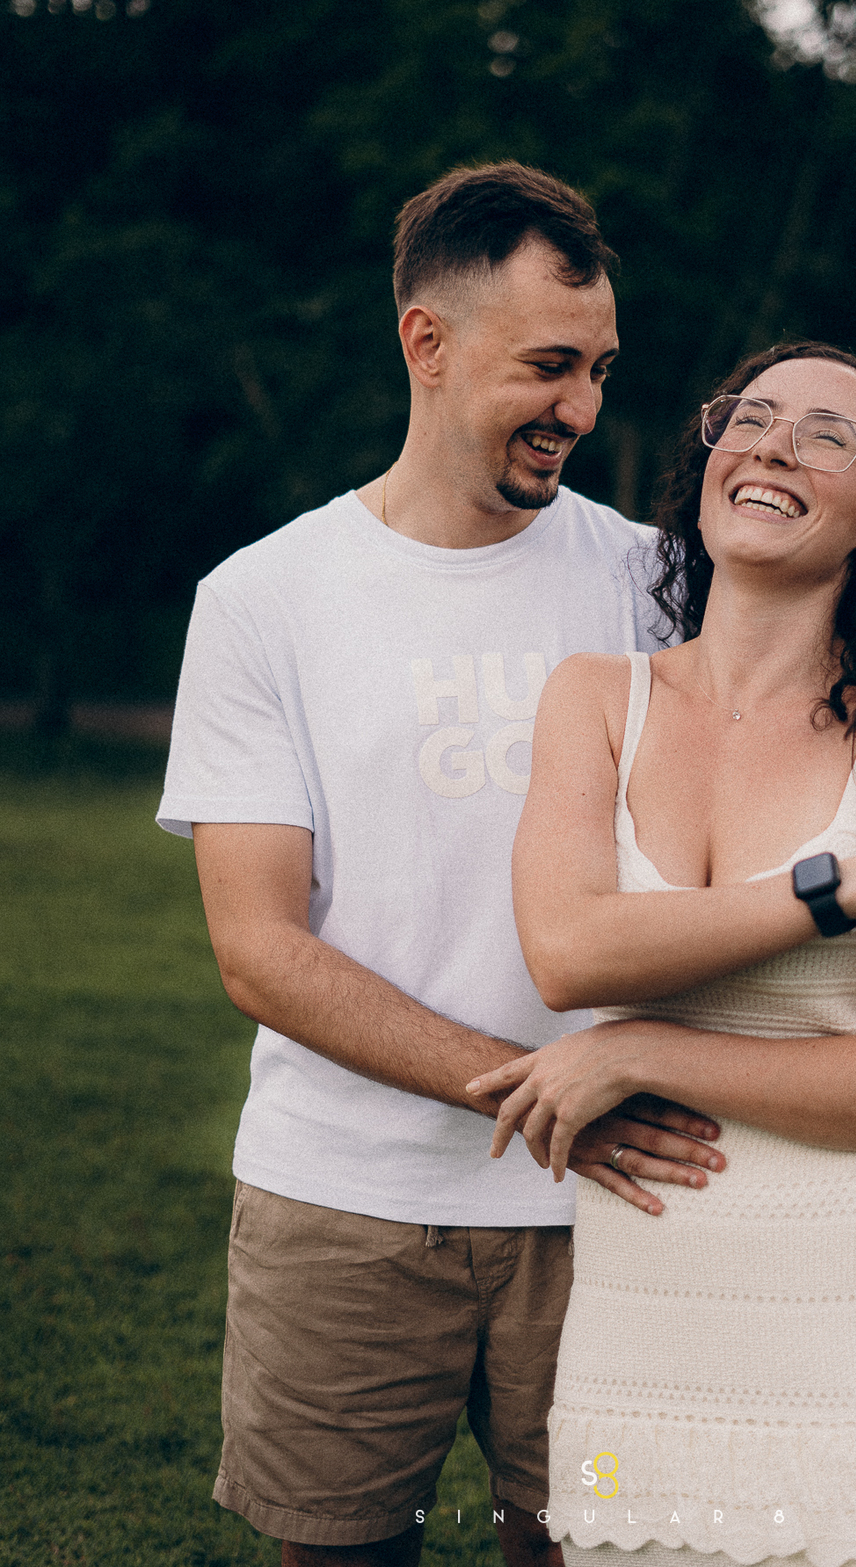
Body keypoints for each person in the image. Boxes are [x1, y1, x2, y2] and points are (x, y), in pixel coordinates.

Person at [156, 164, 733, 1567]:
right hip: (343, 1203)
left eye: (599, 369)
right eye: (548, 366)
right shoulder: (262, 601)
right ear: (428, 342)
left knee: (594, 1552)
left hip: (616, 1211)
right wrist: (551, 1101)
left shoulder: (660, 584)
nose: (582, 410)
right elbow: (260, 949)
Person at [469, 342, 856, 1567]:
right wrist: (845, 882)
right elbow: (571, 950)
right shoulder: (594, 697)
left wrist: (645, 1050)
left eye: (826, 435)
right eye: (752, 417)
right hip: (642, 1337)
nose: (773, 445)